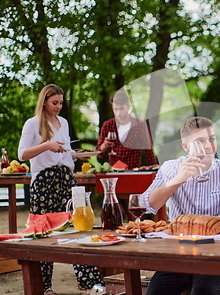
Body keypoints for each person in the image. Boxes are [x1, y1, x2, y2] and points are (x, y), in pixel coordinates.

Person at [140, 116, 220, 295]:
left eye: (212, 139)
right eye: (200, 141)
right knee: (156, 292)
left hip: (217, 253)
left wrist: (206, 226)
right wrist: (177, 180)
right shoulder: (170, 168)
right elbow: (147, 205)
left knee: (204, 291)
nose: (208, 146)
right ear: (185, 146)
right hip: (178, 254)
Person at [18, 84, 105, 295]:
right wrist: (47, 145)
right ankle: (44, 286)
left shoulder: (63, 123)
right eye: (54, 103)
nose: (58, 106)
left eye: (60, 103)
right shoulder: (33, 124)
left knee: (79, 228)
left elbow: (64, 154)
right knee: (43, 233)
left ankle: (88, 283)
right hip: (43, 182)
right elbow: (22, 154)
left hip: (66, 179)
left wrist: (77, 155)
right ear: (44, 102)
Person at [96, 90, 158, 169]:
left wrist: (155, 170)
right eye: (115, 109)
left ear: (128, 106)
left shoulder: (140, 125)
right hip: (114, 172)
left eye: (121, 109)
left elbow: (148, 151)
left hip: (134, 172)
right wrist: (104, 146)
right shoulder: (108, 125)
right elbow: (99, 154)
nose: (118, 113)